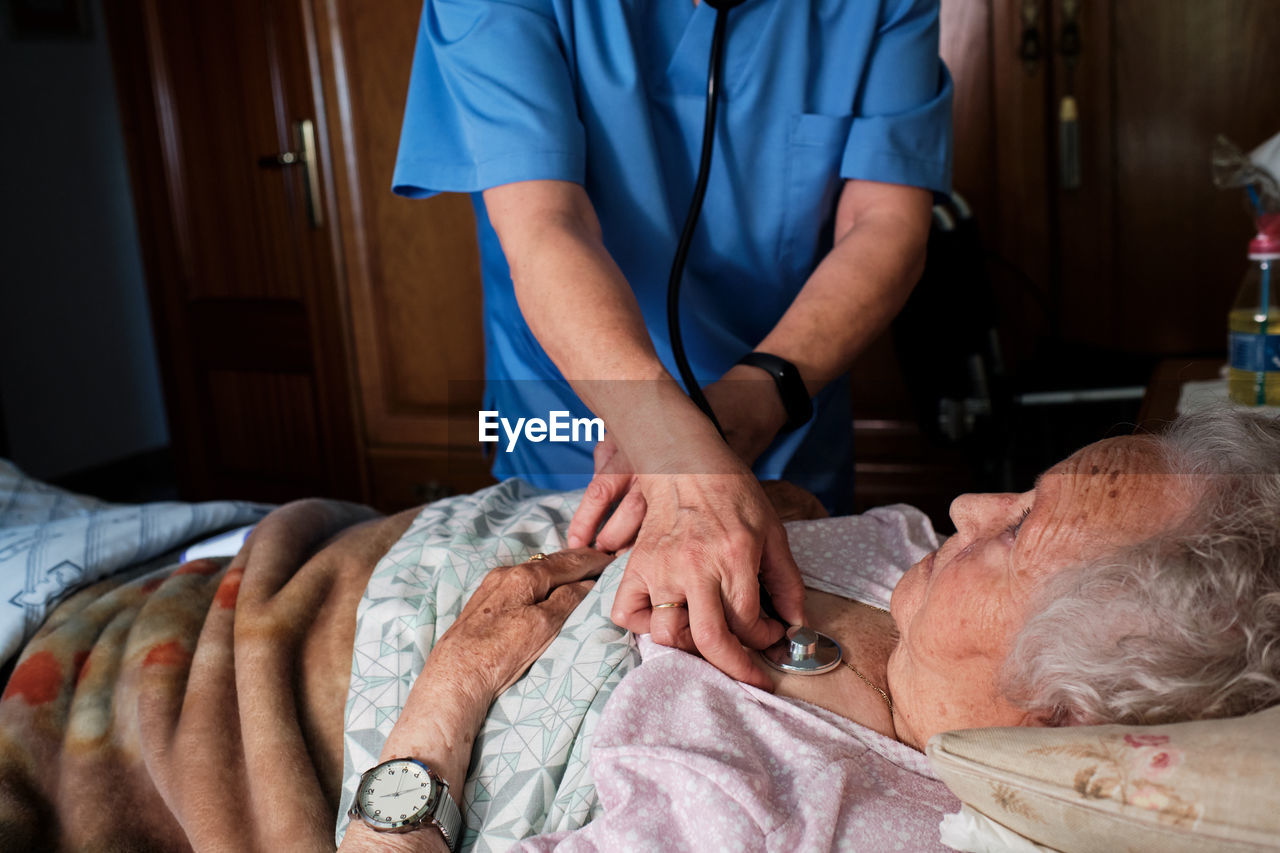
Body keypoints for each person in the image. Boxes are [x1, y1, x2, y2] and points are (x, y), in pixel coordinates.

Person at [336, 408, 1280, 851]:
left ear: (1062, 710)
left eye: (1023, 526)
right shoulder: (920, 556)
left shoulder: (785, 818)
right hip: (390, 539)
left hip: (323, 667)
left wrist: (452, 684)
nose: (966, 503)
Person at [392, 0, 954, 688]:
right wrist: (671, 446)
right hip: (579, 438)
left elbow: (887, 222)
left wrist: (744, 410)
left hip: (785, 415)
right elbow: (546, 226)